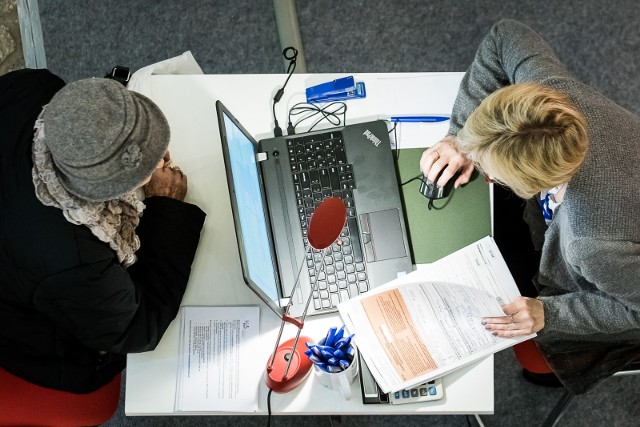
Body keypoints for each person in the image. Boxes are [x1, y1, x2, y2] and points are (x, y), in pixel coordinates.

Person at [420, 19, 640, 395]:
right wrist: (460, 137)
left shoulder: (593, 244)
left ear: (531, 186)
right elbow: (506, 35)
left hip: (613, 283)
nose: (480, 168)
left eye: (489, 169)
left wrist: (549, 314)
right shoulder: (555, 96)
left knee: (528, 346)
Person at [0, 69, 206, 393]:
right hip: (38, 328)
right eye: (147, 167)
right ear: (104, 192)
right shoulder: (71, 261)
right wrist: (166, 207)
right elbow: (138, 329)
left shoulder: (34, 87)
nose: (161, 159)